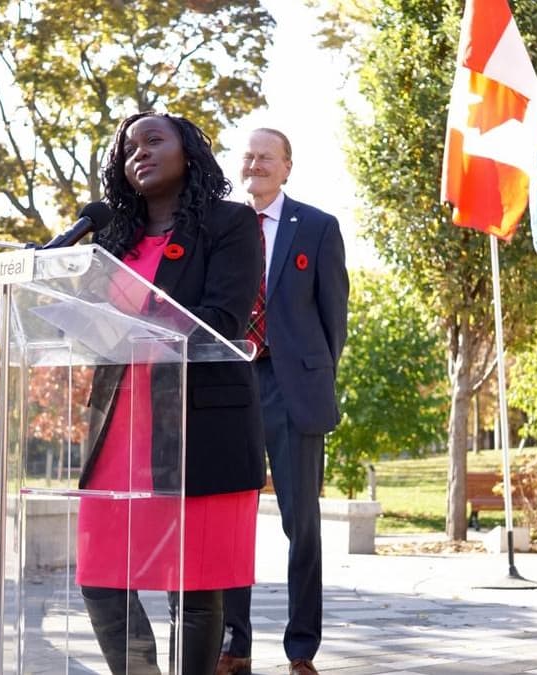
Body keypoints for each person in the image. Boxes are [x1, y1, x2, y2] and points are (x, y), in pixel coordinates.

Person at [75, 111, 265, 675]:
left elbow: (222, 319)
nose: (139, 152)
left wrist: (137, 314)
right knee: (100, 578)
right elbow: (84, 326)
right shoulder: (109, 239)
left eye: (154, 140)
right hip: (117, 428)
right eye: (128, 148)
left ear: (189, 153)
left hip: (197, 423)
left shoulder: (228, 223)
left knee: (193, 584)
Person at [218, 129, 349, 675]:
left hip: (293, 389)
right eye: (248, 157)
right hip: (230, 385)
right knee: (230, 520)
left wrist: (311, 375)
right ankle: (234, 643)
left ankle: (301, 650)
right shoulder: (222, 227)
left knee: (303, 523)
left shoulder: (318, 227)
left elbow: (333, 318)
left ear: (288, 168)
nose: (256, 164)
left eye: (267, 157)